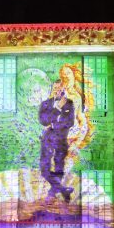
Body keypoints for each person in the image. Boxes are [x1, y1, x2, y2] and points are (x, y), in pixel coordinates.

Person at [38, 64, 94, 203]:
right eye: (63, 74)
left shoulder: (75, 97)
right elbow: (46, 116)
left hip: (70, 137)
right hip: (53, 137)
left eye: (68, 73)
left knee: (62, 168)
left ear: (74, 75)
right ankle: (63, 191)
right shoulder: (56, 94)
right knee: (47, 169)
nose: (65, 76)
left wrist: (79, 140)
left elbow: (79, 119)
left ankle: (52, 196)